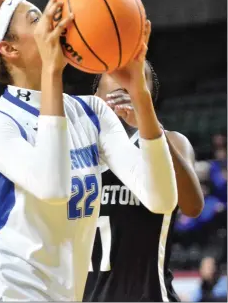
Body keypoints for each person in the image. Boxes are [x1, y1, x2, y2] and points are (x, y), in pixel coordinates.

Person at [0, 0, 178, 301]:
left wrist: (141, 97)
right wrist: (52, 74)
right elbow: (53, 186)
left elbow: (161, 199)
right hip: (2, 293)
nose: (51, 19)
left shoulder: (92, 111)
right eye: (35, 18)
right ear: (9, 49)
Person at [83, 62, 204, 302]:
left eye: (137, 78)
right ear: (95, 96)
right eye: (116, 72)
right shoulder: (77, 149)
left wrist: (149, 126)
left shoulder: (173, 142)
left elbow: (193, 206)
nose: (126, 76)